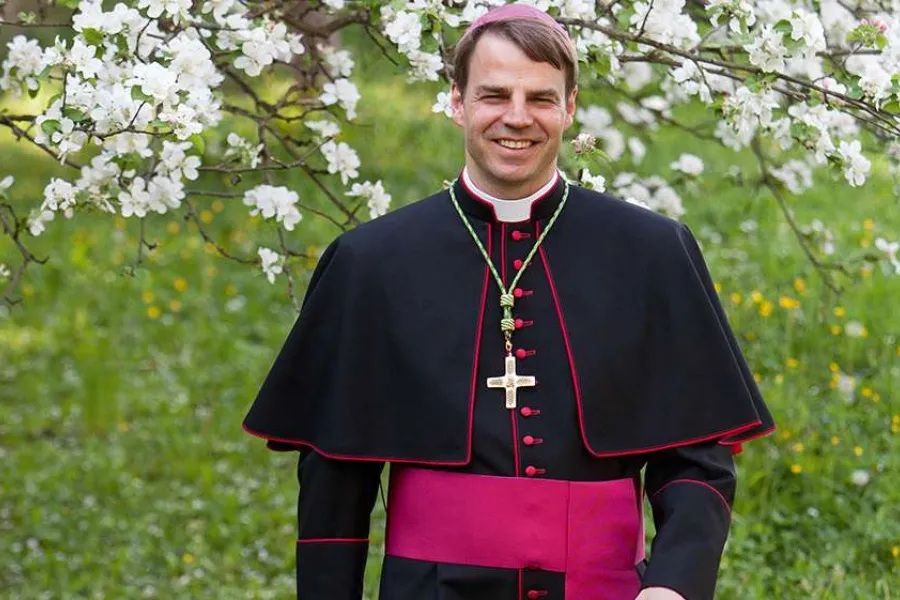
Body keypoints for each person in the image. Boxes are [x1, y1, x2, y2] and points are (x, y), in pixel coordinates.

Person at [242, 4, 775, 600]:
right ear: (457, 101)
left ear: (570, 108)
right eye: (494, 95)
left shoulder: (652, 253)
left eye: (541, 99)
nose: (517, 118)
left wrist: (674, 587)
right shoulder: (372, 263)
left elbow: (698, 459)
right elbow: (333, 484)